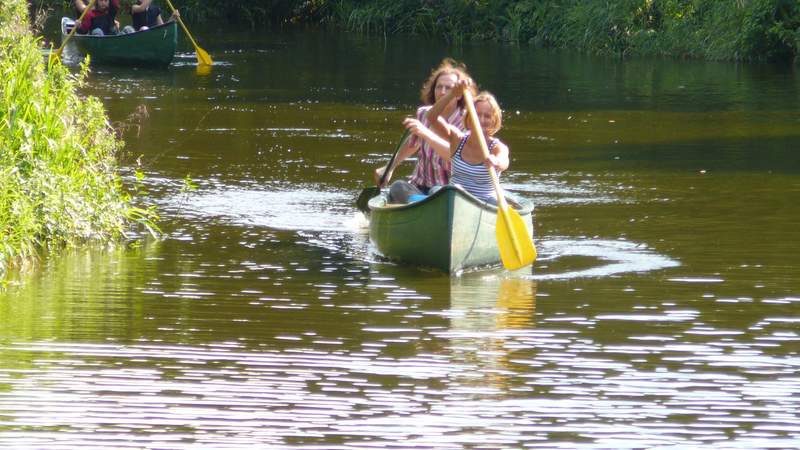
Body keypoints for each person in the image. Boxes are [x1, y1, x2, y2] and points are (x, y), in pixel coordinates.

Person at [374, 58, 477, 203]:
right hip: (421, 187)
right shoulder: (424, 113)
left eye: (448, 88)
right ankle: (420, 203)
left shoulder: (467, 122)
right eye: (438, 87)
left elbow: (455, 157)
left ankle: (423, 204)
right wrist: (389, 167)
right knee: (397, 187)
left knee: (439, 191)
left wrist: (425, 133)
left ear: (458, 94)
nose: (442, 92)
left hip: (451, 190)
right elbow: (413, 144)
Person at [403, 79, 509, 205]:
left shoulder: (497, 147)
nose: (481, 119)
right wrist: (452, 94)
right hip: (455, 198)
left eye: (487, 116)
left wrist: (496, 162)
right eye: (477, 114)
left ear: (494, 120)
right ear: (469, 117)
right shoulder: (457, 139)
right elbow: (431, 117)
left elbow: (504, 161)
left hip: (484, 202)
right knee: (436, 190)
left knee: (497, 203)